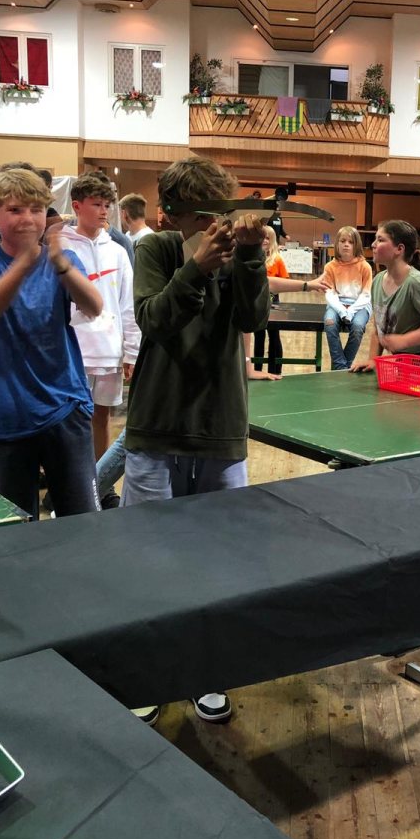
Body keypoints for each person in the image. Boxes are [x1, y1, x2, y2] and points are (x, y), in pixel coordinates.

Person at [122, 156, 269, 724]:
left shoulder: (238, 251)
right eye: (203, 216)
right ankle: (148, 669)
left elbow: (253, 321)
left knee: (219, 558)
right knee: (148, 559)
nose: (216, 226)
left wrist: (250, 256)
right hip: (157, 423)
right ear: (172, 214)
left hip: (221, 425)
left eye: (221, 214)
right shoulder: (157, 249)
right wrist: (197, 268)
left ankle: (207, 668)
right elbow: (154, 320)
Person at [0, 168, 104, 517]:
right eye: (15, 210)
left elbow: (94, 306)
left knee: (82, 520)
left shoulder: (63, 259)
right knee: (18, 527)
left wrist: (61, 264)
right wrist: (25, 261)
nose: (27, 218)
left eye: (36, 209)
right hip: (6, 413)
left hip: (65, 405)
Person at [62, 173, 140, 462]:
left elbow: (128, 305)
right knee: (70, 421)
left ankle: (98, 479)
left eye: (107, 205)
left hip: (109, 351)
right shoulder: (61, 247)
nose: (104, 211)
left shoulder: (117, 252)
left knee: (101, 418)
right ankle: (70, 479)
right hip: (73, 351)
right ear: (77, 206)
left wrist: (132, 350)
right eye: (96, 204)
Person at [351, 220, 420, 372]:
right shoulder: (377, 281)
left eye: (380, 240)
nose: (373, 244)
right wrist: (373, 360)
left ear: (399, 249)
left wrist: (404, 340)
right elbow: (379, 329)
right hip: (403, 358)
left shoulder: (415, 282)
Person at [315, 225, 372, 370]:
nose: (346, 244)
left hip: (360, 305)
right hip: (337, 304)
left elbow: (366, 295)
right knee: (329, 323)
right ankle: (341, 367)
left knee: (358, 327)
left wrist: (351, 311)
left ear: (356, 245)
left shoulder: (365, 266)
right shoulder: (330, 267)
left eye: (350, 242)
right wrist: (342, 311)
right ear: (337, 244)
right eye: (343, 241)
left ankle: (342, 366)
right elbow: (330, 293)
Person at [252, 225, 289, 375]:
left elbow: (284, 282)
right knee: (259, 336)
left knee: (274, 335)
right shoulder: (253, 259)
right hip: (256, 304)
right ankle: (257, 369)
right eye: (262, 237)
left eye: (268, 238)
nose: (265, 241)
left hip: (273, 304)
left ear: (273, 240)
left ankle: (275, 370)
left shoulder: (277, 260)